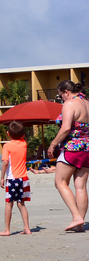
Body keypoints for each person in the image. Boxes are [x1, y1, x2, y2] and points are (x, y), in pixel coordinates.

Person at [47, 80, 89, 233]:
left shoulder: (70, 104)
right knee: (81, 186)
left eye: (61, 96)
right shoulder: (87, 103)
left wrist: (52, 145)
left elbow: (65, 128)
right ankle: (79, 224)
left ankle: (76, 217)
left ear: (66, 92)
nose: (61, 99)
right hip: (87, 149)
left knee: (60, 182)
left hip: (72, 148)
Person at [0, 121, 32, 236]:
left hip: (12, 178)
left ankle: (7, 229)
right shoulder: (24, 143)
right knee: (21, 204)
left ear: (8, 133)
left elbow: (5, 162)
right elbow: (21, 138)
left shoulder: (7, 146)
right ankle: (27, 228)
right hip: (24, 178)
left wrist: (2, 177)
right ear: (22, 135)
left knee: (9, 203)